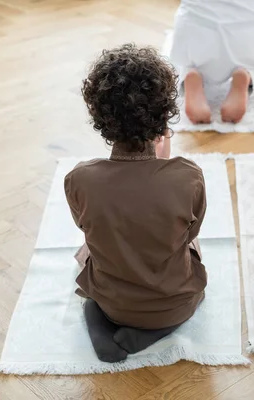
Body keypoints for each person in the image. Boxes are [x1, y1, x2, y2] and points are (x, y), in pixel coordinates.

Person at [64, 44, 208, 363]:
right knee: (191, 242)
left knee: (90, 246)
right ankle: (153, 332)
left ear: (98, 116)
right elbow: (188, 233)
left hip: (111, 303)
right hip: (176, 304)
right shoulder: (187, 176)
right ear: (165, 118)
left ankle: (98, 319)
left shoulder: (80, 178)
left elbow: (84, 226)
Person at [169, 0, 254, 124]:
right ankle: (248, 74)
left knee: (183, 59)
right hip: (248, 33)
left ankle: (190, 72)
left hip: (196, 30)